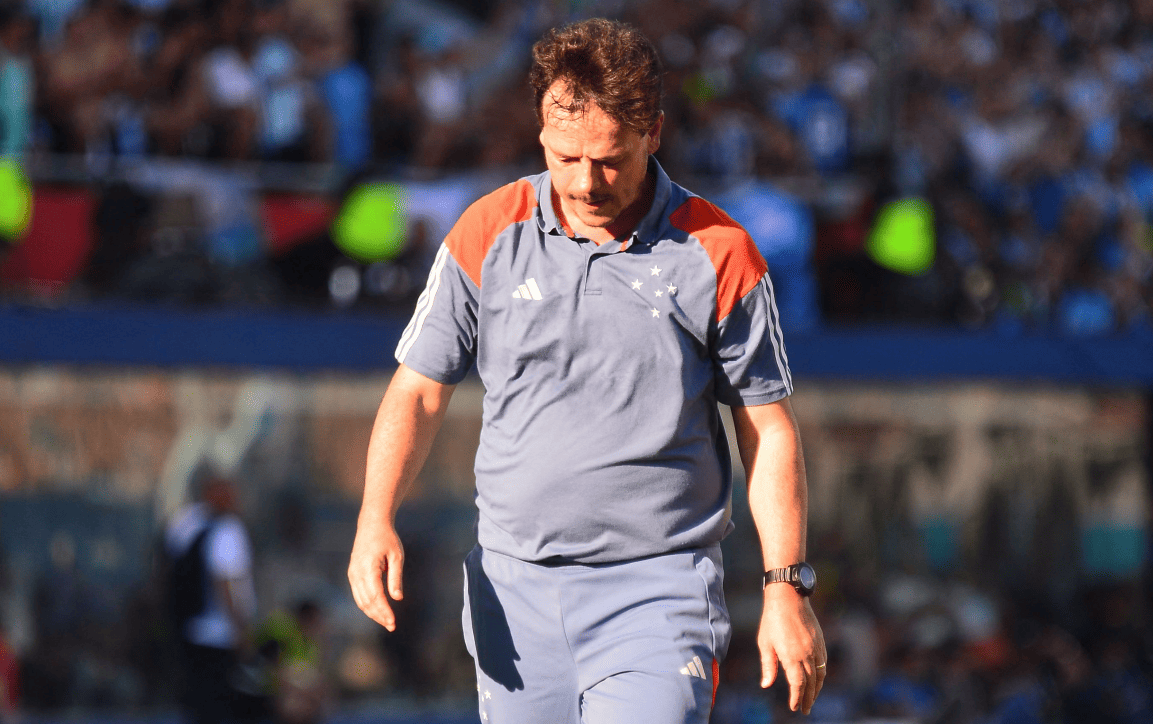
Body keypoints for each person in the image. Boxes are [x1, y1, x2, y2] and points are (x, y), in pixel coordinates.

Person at [348, 18, 826, 722]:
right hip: (510, 589)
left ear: (652, 133)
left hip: (659, 591)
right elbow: (417, 391)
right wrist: (374, 517)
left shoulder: (719, 253)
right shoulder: (486, 232)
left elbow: (768, 428)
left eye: (607, 159)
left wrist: (786, 587)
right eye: (562, 157)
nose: (584, 182)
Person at [164, 474, 258, 724]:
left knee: (197, 704)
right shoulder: (228, 529)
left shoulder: (184, 522)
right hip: (219, 636)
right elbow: (225, 582)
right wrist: (241, 631)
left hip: (187, 629)